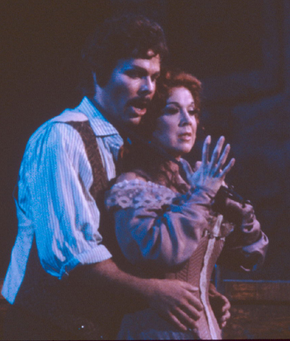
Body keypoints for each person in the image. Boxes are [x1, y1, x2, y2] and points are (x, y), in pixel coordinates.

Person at [2, 15, 229, 340]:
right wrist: (152, 291)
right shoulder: (61, 138)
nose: (149, 89)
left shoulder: (134, 148)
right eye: (134, 74)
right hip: (51, 328)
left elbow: (139, 241)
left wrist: (195, 291)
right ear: (99, 73)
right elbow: (73, 256)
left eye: (153, 76)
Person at [105, 71, 269, 339]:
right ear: (149, 122)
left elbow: (249, 255)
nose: (187, 121)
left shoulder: (193, 181)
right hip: (156, 331)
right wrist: (203, 195)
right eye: (172, 111)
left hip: (207, 330)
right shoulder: (133, 185)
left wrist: (236, 211)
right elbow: (160, 252)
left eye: (192, 112)